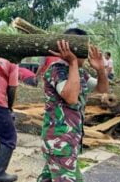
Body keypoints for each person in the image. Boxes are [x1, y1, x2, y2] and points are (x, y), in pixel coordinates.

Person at [38, 28, 109, 182]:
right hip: (59, 141)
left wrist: (101, 70)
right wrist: (73, 62)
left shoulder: (80, 73)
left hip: (69, 141)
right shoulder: (56, 70)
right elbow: (71, 97)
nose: (86, 54)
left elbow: (102, 90)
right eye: (83, 49)